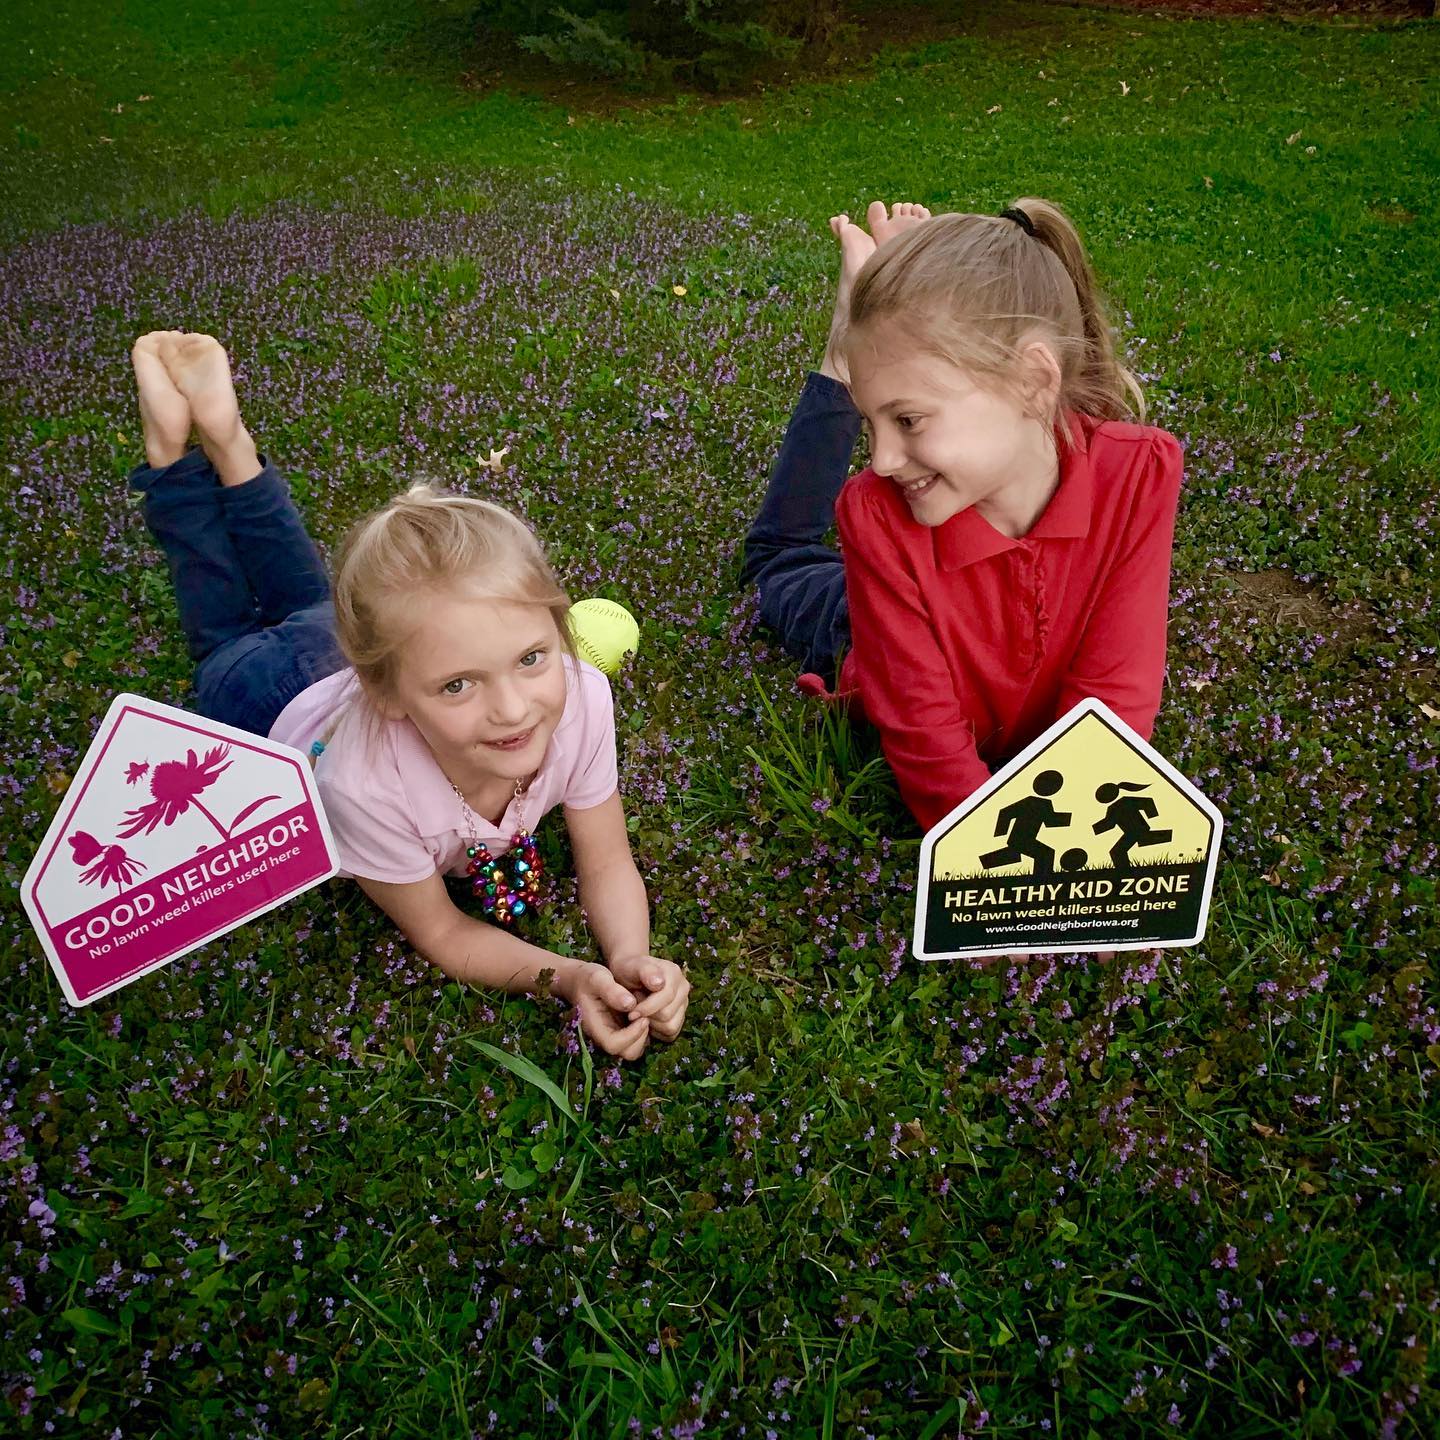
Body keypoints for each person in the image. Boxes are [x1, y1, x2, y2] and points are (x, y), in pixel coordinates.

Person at [127, 330, 689, 1058]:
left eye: (530, 657)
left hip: (350, 645)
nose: (515, 709)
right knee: (223, 607)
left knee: (309, 597)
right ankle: (172, 453)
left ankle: (231, 441)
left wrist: (626, 962)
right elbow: (442, 931)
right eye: (459, 685)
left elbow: (607, 858)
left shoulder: (579, 698)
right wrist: (565, 977)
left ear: (560, 630)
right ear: (387, 692)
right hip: (265, 693)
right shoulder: (364, 785)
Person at [742, 199, 1184, 834]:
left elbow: (1115, 694)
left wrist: (1079, 857)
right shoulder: (875, 511)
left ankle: (871, 324)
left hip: (947, 606)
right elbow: (925, 731)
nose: (883, 459)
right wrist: (986, 865)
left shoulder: (1138, 475)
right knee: (779, 559)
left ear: (1033, 381)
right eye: (872, 423)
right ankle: (846, 341)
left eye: (909, 420)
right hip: (873, 618)